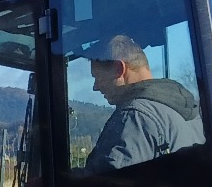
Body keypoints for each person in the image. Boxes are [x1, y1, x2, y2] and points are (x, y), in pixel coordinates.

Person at [82, 34, 203, 172]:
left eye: (98, 77)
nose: (95, 87)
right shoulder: (191, 113)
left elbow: (108, 186)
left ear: (118, 69)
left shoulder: (135, 118)